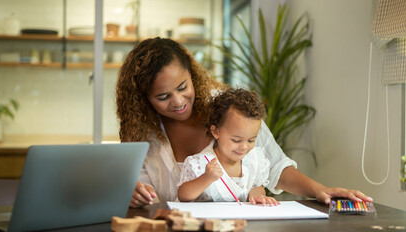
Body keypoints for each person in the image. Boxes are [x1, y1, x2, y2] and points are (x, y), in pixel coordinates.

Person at [115, 37, 373, 208]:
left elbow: (274, 167)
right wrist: (133, 193)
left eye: (183, 87)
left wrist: (320, 190)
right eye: (163, 96)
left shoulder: (229, 109)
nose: (178, 101)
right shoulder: (143, 133)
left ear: (192, 75)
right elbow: (144, 193)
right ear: (144, 99)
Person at [177, 88, 279, 206]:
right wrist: (206, 178)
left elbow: (256, 187)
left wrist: (257, 195)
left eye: (251, 140)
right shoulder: (199, 163)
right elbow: (183, 196)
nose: (244, 147)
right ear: (216, 132)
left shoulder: (254, 160)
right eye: (236, 140)